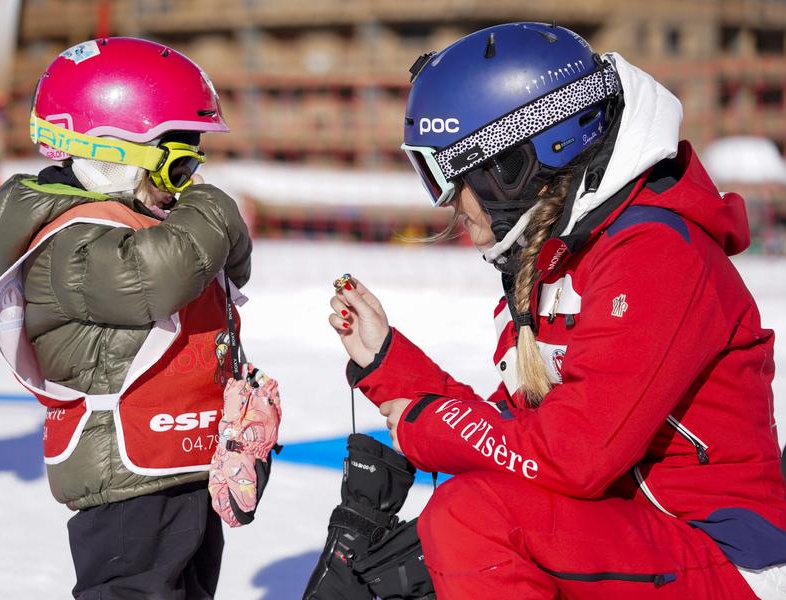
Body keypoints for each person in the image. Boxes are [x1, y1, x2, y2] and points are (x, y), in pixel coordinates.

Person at [329, 23, 786, 599]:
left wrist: (425, 422)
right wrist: (390, 366)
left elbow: (572, 457)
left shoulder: (655, 255)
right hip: (644, 541)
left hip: (727, 558)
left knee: (471, 518)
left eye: (447, 174)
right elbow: (519, 439)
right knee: (457, 528)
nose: (446, 201)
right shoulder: (558, 264)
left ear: (514, 165)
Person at [0, 38, 252, 599]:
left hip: (177, 464)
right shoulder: (68, 244)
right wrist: (215, 209)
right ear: (109, 154)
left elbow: (234, 266)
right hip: (122, 482)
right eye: (177, 168)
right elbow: (154, 278)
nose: (187, 186)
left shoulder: (141, 222)